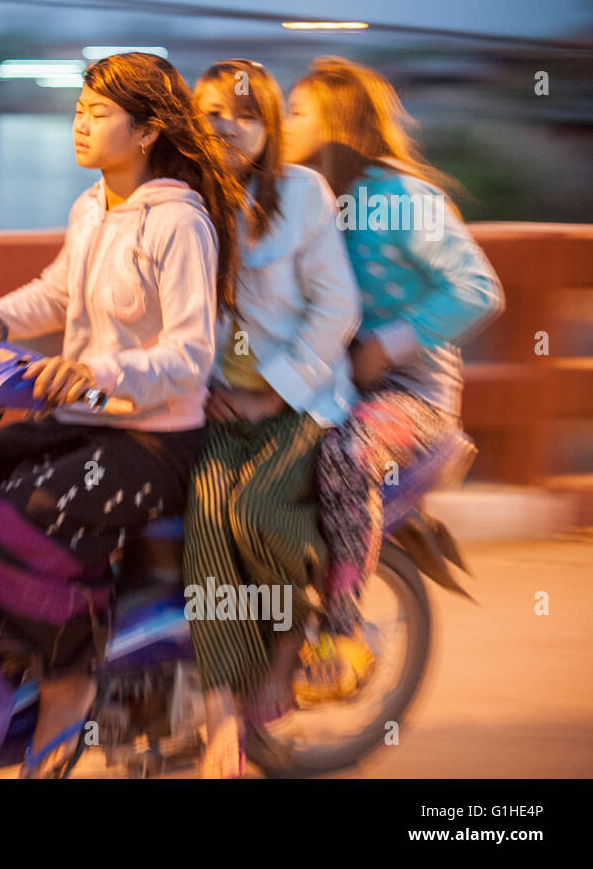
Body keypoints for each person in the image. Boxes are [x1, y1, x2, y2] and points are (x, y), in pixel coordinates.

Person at [0, 51, 242, 778]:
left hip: (155, 438)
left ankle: (70, 682)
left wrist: (97, 371)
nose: (79, 124)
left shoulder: (179, 223)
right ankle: (16, 644)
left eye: (98, 113)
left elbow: (189, 356)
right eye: (78, 109)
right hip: (93, 419)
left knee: (19, 516)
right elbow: (57, 294)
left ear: (149, 129)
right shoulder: (93, 207)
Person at [282, 56, 503, 689]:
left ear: (338, 124)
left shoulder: (401, 199)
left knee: (349, 455)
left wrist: (390, 342)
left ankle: (346, 633)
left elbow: (478, 289)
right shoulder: (311, 198)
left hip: (411, 397)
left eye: (299, 112)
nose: (285, 122)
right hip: (335, 387)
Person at [181, 59, 361, 778]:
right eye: (211, 110)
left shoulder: (303, 194)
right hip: (223, 398)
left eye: (243, 113)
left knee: (255, 507)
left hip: (305, 397)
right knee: (203, 513)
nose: (225, 124)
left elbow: (337, 308)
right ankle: (222, 703)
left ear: (269, 128)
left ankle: (287, 648)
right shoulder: (186, 199)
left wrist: (274, 393)